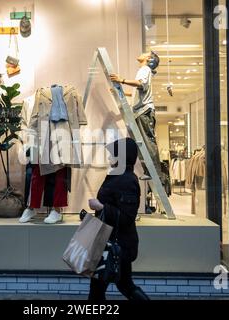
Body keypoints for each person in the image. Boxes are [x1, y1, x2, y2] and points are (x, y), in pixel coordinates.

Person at [88, 138, 149, 301]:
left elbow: (127, 217)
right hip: (114, 243)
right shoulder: (119, 176)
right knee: (124, 285)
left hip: (116, 245)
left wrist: (101, 207)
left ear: (122, 157)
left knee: (98, 290)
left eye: (113, 155)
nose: (109, 158)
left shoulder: (126, 180)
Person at [109, 51, 165, 185]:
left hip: (144, 111)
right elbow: (138, 91)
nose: (141, 53)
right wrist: (121, 92)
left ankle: (155, 172)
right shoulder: (143, 70)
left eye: (145, 53)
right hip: (141, 111)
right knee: (144, 144)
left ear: (148, 59)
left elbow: (141, 84)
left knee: (148, 143)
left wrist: (121, 80)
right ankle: (150, 171)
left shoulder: (145, 69)